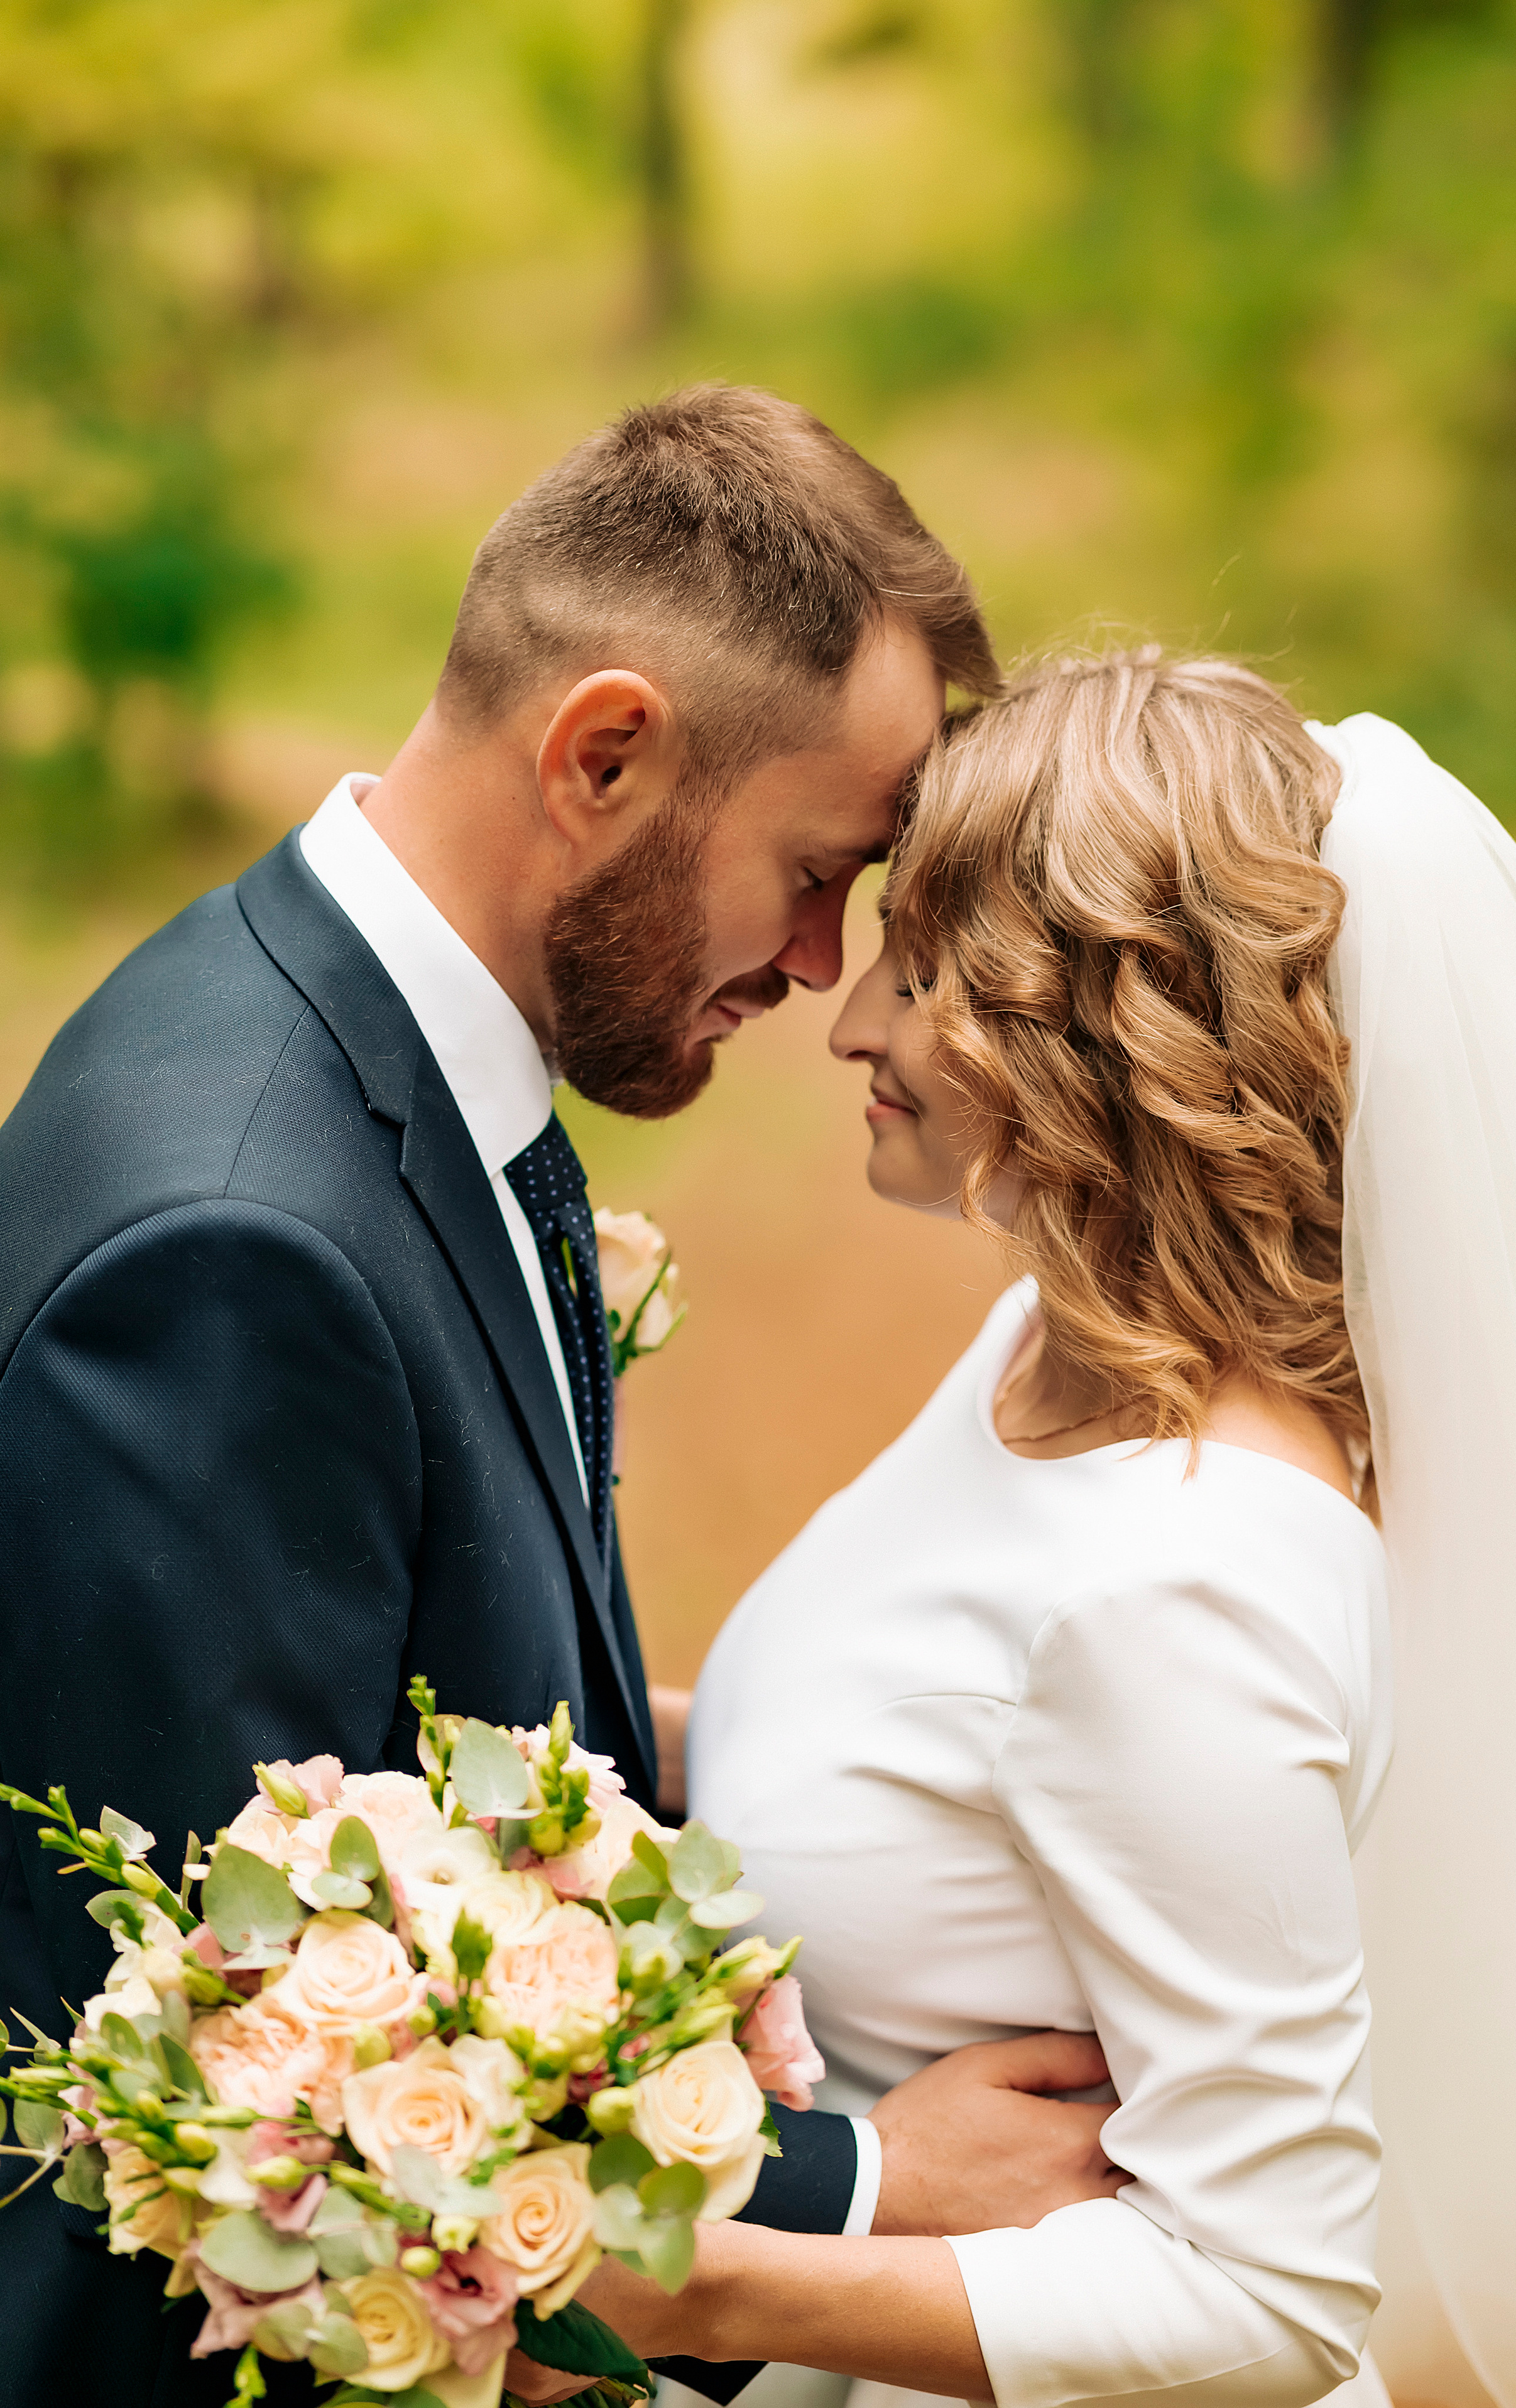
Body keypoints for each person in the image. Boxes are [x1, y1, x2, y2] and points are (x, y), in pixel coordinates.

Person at [0, 389, 1122, 2404]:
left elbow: (411, 1729)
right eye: (811, 868)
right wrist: (865, 2176)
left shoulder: (398, 1057)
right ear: (604, 752)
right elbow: (227, 2094)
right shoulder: (233, 1251)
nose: (816, 961)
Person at [594, 651, 1516, 2408]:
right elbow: (909, 1747)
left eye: (931, 974)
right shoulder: (1048, 1353)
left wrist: (701, 2289)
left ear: (1107, 1035)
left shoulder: (1191, 1583)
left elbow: (1266, 2293)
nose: (848, 1021)